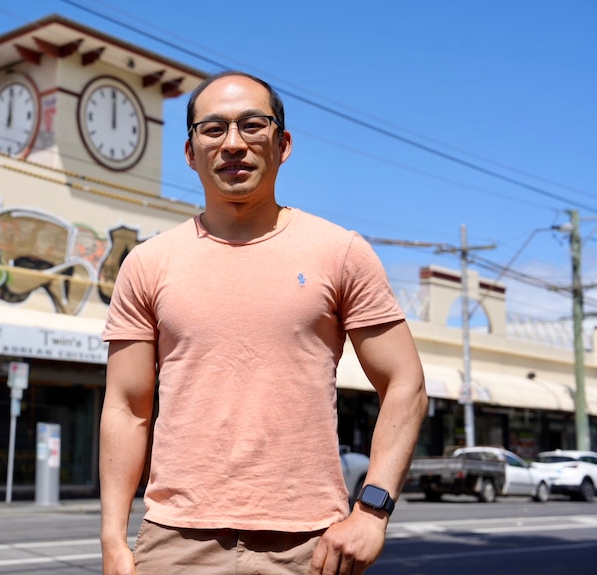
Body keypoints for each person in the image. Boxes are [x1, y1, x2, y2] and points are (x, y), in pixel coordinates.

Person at [99, 71, 428, 575]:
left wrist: (372, 511)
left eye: (253, 124)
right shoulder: (147, 264)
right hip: (175, 543)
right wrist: (112, 537)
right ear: (190, 152)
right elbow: (126, 407)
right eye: (213, 129)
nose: (233, 143)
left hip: (308, 546)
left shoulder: (340, 252)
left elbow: (405, 383)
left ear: (283, 143)